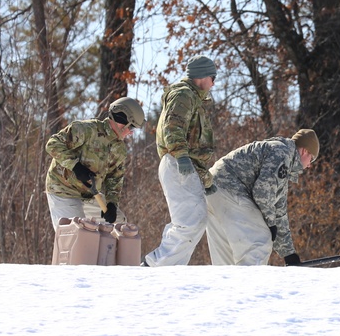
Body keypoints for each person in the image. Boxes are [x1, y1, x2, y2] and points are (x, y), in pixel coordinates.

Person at [141, 55, 218, 266]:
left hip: (183, 163)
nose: (214, 83)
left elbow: (195, 145)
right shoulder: (184, 95)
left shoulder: (193, 98)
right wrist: (182, 156)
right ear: (203, 77)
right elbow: (173, 126)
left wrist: (205, 178)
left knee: (194, 220)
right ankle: (158, 266)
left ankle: (164, 266)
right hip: (177, 162)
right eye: (213, 77)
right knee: (190, 222)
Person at [204, 129, 319, 267]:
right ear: (304, 151)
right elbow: (262, 192)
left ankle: (227, 287)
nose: (310, 165)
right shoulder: (282, 152)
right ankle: (251, 286)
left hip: (211, 190)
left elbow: (279, 214)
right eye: (311, 159)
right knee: (260, 240)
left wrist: (289, 254)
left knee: (226, 260)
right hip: (230, 188)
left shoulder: (281, 162)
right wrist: (270, 224)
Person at [44, 97, 145, 230]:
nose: (131, 132)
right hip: (63, 191)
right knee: (75, 233)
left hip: (89, 194)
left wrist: (112, 205)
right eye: (131, 127)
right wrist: (76, 166)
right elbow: (53, 144)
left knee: (119, 225)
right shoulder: (85, 130)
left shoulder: (119, 150)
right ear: (122, 122)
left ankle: (104, 250)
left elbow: (115, 179)